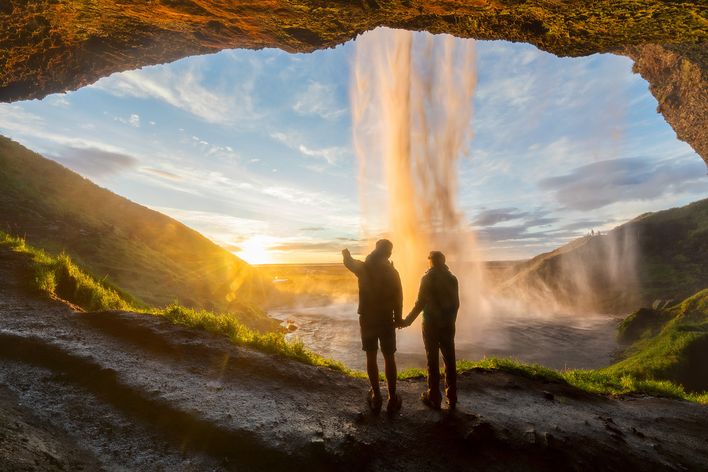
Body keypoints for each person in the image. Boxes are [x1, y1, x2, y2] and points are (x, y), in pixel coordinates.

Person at [342, 239, 403, 414]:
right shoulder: (392, 272)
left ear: (376, 249)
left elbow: (349, 262)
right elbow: (399, 297)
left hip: (368, 318)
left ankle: (376, 396)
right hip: (386, 319)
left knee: (371, 356)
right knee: (389, 357)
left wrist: (346, 253)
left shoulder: (365, 267)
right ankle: (392, 398)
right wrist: (398, 318)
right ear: (389, 253)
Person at [400, 251, 459, 410]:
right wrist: (450, 321)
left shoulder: (427, 278)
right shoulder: (453, 278)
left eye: (429, 261)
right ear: (444, 261)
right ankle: (452, 397)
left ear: (432, 262)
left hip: (430, 324)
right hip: (448, 325)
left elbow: (420, 303)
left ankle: (433, 396)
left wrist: (407, 321)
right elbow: (456, 304)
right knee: (450, 359)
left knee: (432, 359)